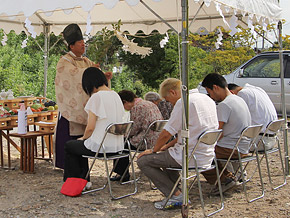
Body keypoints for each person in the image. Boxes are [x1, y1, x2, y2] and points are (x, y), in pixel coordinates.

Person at [137, 78, 219, 209]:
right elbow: (192, 132)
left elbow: (166, 133)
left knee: (143, 161)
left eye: (168, 100)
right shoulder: (207, 99)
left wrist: (153, 150)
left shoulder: (184, 102)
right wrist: (164, 147)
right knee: (166, 154)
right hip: (207, 155)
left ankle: (175, 195)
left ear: (172, 92)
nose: (169, 104)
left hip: (189, 156)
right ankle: (178, 190)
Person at [54, 23, 112, 169]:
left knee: (82, 142)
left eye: (83, 43)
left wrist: (103, 76)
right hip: (70, 109)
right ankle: (68, 168)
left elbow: (94, 77)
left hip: (85, 107)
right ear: (71, 46)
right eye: (80, 43)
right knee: (69, 139)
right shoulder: (64, 61)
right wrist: (87, 72)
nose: (83, 45)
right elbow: (70, 77)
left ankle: (81, 171)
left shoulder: (86, 61)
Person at [63, 67, 124, 188]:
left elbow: (90, 127)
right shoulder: (115, 95)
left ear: (89, 83)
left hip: (101, 147)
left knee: (70, 145)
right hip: (117, 146)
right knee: (78, 146)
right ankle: (84, 181)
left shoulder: (97, 97)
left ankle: (75, 183)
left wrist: (84, 138)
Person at [200, 73, 251, 193]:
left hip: (232, 148)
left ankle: (224, 180)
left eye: (210, 92)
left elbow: (217, 134)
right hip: (245, 145)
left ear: (215, 87)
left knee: (198, 153)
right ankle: (228, 176)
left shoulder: (224, 105)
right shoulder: (239, 99)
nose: (211, 96)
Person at [110, 90, 163, 182]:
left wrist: (123, 134)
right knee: (124, 142)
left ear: (125, 102)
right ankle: (122, 173)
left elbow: (134, 128)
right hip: (157, 139)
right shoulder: (149, 104)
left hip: (146, 140)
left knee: (121, 144)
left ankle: (122, 174)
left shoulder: (137, 107)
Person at [228, 83, 278, 151]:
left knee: (223, 143)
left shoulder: (242, 94)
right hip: (272, 139)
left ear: (231, 93)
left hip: (259, 142)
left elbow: (237, 119)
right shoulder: (258, 89)